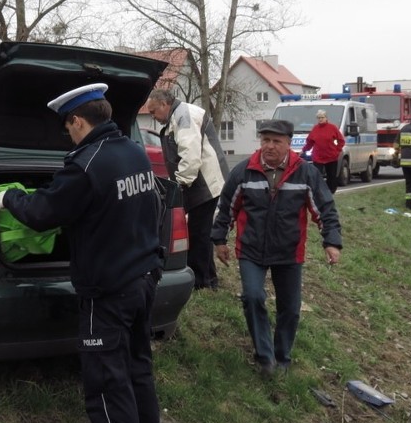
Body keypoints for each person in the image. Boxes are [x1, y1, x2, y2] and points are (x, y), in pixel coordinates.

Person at [0, 83, 168, 423]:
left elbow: (41, 213)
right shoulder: (132, 151)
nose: (67, 135)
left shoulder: (86, 164)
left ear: (77, 120)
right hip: (143, 281)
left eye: (67, 127)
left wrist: (9, 197)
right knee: (137, 369)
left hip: (107, 292)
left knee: (106, 385)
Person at [211, 119, 342, 378]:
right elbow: (227, 206)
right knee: (252, 297)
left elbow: (324, 209)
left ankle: (282, 359)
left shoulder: (306, 173)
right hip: (251, 249)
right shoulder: (244, 171)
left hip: (289, 251)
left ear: (288, 144)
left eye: (276, 141)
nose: (269, 146)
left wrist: (331, 242)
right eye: (265, 140)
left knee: (290, 309)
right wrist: (219, 240)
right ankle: (265, 358)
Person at [146, 89, 229, 290]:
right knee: (200, 233)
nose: (153, 117)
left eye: (154, 111)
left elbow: (190, 155)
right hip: (198, 184)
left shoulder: (185, 116)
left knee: (199, 234)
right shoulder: (177, 116)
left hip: (204, 185)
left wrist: (179, 185)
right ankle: (208, 279)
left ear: (164, 105)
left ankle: (201, 282)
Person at [303, 109, 346, 194]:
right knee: (317, 175)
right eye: (318, 118)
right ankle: (319, 191)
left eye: (322, 117)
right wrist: (304, 150)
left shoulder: (332, 127)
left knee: (331, 176)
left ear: (326, 118)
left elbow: (341, 141)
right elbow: (310, 142)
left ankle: (331, 192)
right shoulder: (315, 129)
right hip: (318, 157)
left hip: (331, 156)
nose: (320, 119)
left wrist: (337, 151)